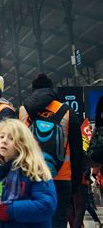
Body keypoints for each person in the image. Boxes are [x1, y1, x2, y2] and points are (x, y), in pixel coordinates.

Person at [19, 73, 83, 228]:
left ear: (33, 90)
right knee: (57, 221)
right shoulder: (67, 112)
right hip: (61, 178)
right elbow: (77, 152)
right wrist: (75, 186)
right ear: (51, 90)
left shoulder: (22, 111)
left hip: (30, 177)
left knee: (33, 220)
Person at [0, 119, 57, 227]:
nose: (4, 141)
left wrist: (9, 210)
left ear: (23, 144)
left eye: (11, 138)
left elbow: (46, 205)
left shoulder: (34, 170)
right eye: (1, 136)